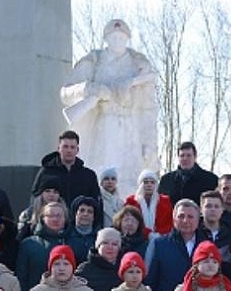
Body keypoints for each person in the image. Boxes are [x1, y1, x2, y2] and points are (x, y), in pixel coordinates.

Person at [60, 19, 158, 196]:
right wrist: (89, 88)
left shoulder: (139, 64)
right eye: (114, 37)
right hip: (103, 128)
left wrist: (149, 141)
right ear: (106, 38)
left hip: (131, 131)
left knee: (131, 185)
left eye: (122, 37)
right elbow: (66, 93)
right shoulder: (94, 60)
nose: (118, 41)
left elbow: (149, 109)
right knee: (99, 179)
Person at [145, 199, 207, 291]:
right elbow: (150, 280)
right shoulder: (159, 244)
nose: (185, 220)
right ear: (174, 219)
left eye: (190, 217)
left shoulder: (206, 245)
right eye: (181, 216)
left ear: (198, 220)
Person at [29, 130, 102, 209]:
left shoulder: (88, 175)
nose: (69, 150)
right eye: (65, 146)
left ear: (77, 150)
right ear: (59, 148)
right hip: (53, 219)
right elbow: (35, 199)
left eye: (72, 147)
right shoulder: (46, 172)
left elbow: (96, 203)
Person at [16, 202, 69, 291]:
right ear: (42, 219)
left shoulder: (72, 243)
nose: (55, 219)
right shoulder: (29, 244)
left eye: (59, 216)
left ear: (65, 219)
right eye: (50, 215)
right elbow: (21, 278)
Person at [157, 141, 219, 205]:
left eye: (189, 155)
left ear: (195, 157)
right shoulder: (166, 180)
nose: (185, 158)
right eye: (182, 156)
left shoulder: (210, 179)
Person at [124, 169, 173, 239]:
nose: (149, 185)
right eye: (145, 182)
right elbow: (129, 222)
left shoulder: (165, 201)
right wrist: (148, 234)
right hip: (137, 239)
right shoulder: (131, 202)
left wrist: (158, 235)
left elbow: (169, 223)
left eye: (152, 182)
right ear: (140, 185)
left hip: (161, 238)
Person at [18, 175, 64, 242]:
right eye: (47, 191)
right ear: (41, 193)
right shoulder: (28, 214)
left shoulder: (65, 213)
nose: (51, 194)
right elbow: (20, 238)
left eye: (55, 192)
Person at [67, 196, 102, 264]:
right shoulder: (65, 237)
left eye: (90, 212)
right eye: (82, 210)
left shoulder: (99, 238)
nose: (85, 214)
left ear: (94, 217)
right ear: (75, 214)